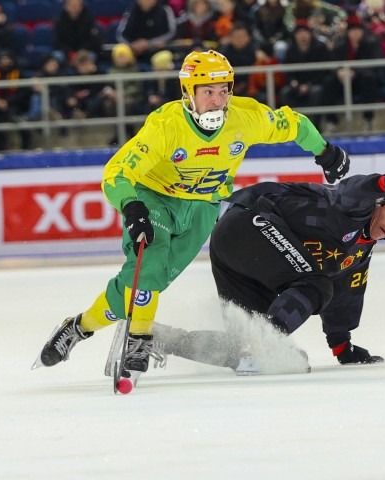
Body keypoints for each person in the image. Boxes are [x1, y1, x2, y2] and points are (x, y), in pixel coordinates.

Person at [32, 50, 352, 384]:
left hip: (202, 208)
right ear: (188, 92)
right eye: (208, 92)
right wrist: (132, 207)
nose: (217, 100)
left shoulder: (246, 117)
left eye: (223, 90)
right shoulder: (166, 126)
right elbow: (116, 173)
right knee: (150, 268)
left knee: (141, 288)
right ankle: (138, 340)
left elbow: (293, 125)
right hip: (153, 199)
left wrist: (325, 151)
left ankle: (78, 327)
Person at [151, 172, 385, 372]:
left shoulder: (360, 252)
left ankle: (153, 337)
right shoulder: (354, 208)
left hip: (238, 256)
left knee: (240, 347)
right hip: (248, 224)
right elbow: (352, 190)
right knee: (317, 286)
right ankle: (264, 345)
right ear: (380, 203)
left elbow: (347, 295)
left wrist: (342, 346)